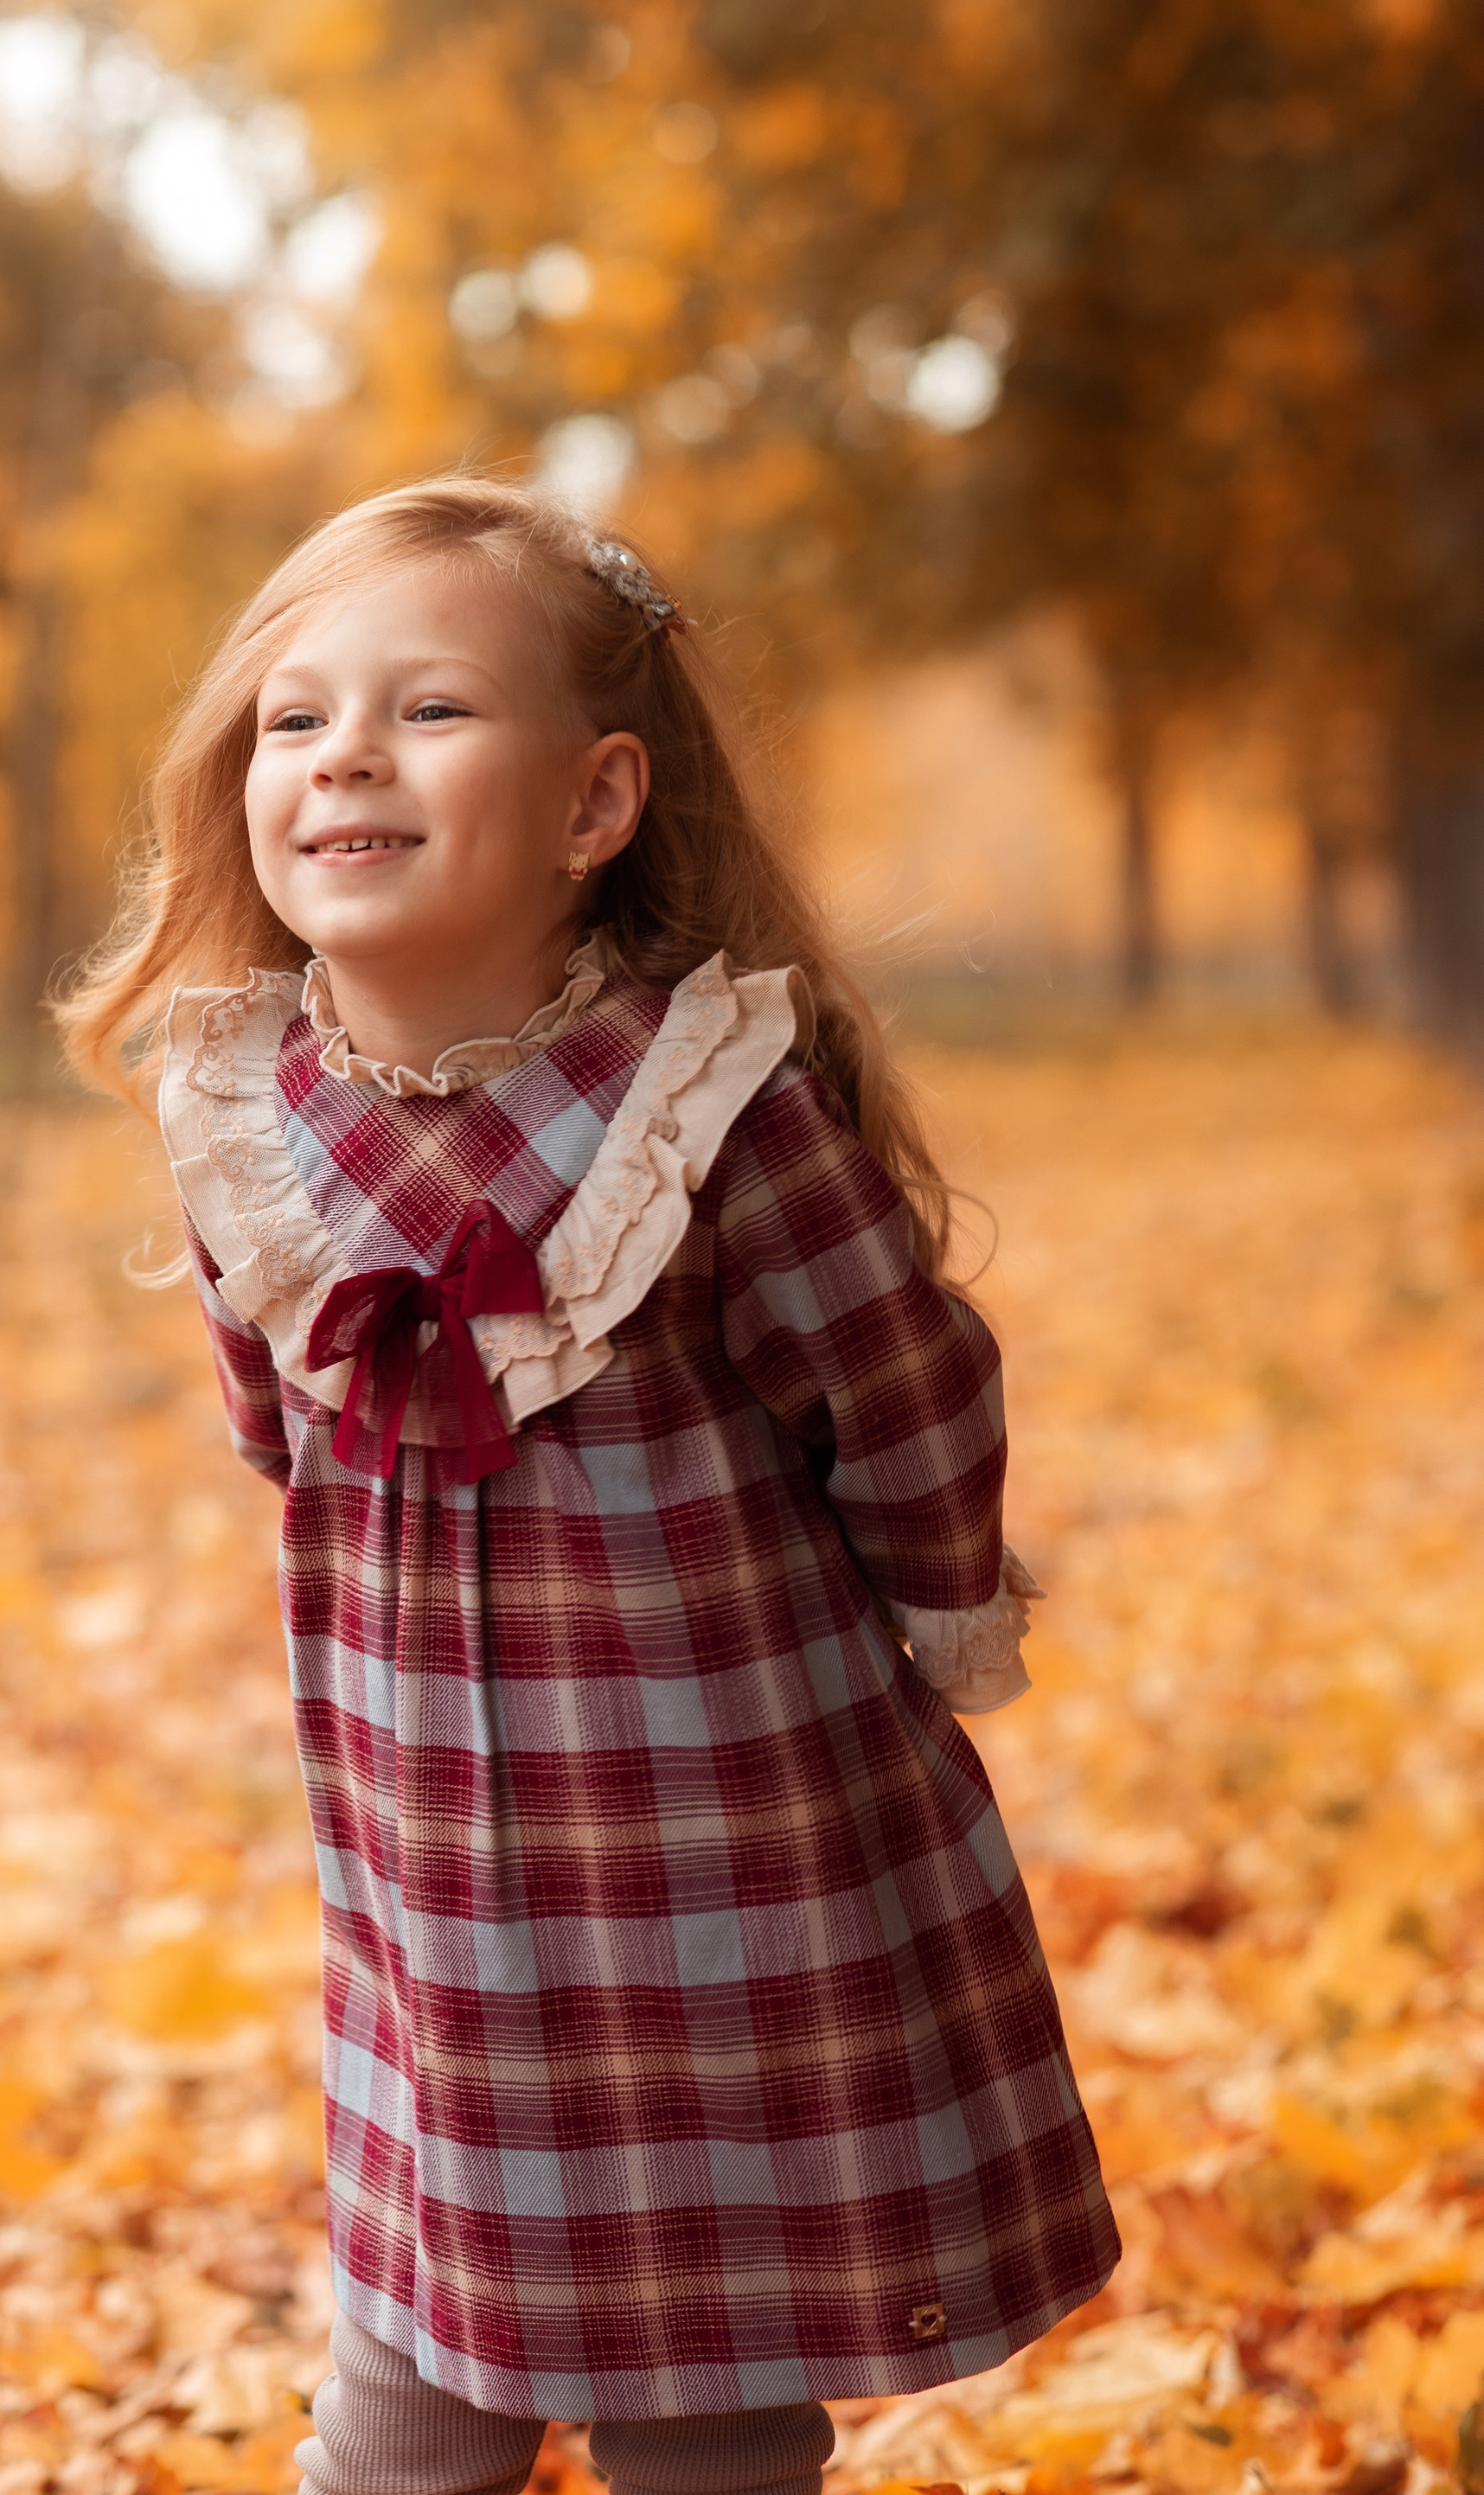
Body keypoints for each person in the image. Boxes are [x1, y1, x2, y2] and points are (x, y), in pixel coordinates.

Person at [57, 477, 1117, 2495]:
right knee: (407, 2389)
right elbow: (272, 1420)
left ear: (592, 804)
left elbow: (902, 1392)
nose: (344, 752)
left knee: (696, 2400)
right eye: (293, 719)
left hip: (712, 1857)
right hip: (430, 1871)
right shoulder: (246, 1123)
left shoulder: (703, 1108)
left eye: (429, 710)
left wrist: (935, 1599)